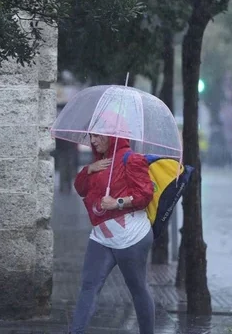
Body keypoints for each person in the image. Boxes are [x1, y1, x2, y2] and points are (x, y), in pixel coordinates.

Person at [70, 133, 156, 334]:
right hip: (101, 236)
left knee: (138, 289)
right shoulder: (99, 162)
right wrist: (88, 170)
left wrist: (117, 203)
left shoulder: (132, 159)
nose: (93, 141)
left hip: (131, 237)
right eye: (92, 136)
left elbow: (145, 195)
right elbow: (80, 188)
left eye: (98, 137)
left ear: (112, 137)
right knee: (88, 287)